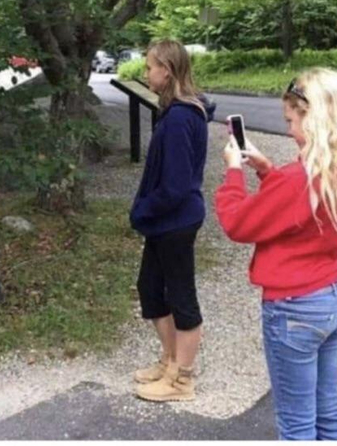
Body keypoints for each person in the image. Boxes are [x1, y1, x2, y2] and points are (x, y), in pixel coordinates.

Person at [216, 67, 337, 440]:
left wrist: (234, 173)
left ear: (314, 119)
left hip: (295, 310)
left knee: (296, 427)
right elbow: (304, 212)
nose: (288, 129)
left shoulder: (298, 180)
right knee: (327, 413)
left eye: (291, 120)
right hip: (333, 297)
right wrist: (266, 169)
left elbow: (238, 224)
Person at [130, 39, 215, 402]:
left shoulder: (181, 117)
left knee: (181, 297)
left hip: (175, 221)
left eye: (150, 66)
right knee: (150, 290)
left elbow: (177, 186)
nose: (146, 73)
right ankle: (169, 362)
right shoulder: (175, 111)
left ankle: (182, 380)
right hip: (165, 222)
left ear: (166, 70)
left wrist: (142, 210)